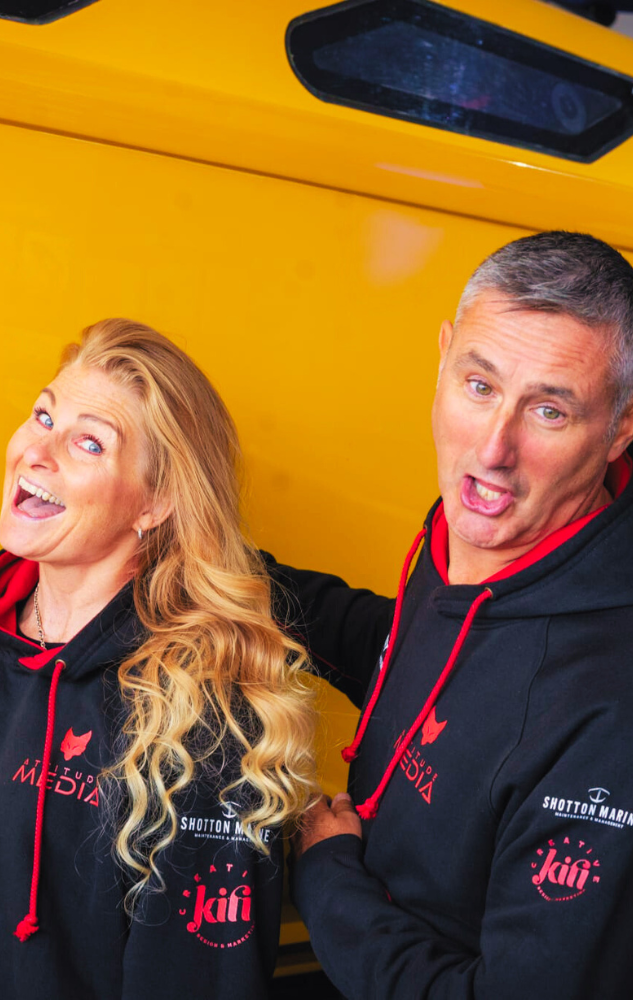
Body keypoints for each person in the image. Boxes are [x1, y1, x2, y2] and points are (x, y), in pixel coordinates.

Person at [0, 319, 317, 999]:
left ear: (156, 503)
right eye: (42, 415)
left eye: (89, 442)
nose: (37, 452)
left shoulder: (198, 716)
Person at [275, 231, 633, 998]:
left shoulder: (608, 708)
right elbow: (428, 653)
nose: (494, 449)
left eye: (548, 411)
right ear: (443, 359)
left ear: (622, 427)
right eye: (479, 386)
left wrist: (327, 873)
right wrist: (221, 574)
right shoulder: (504, 538)